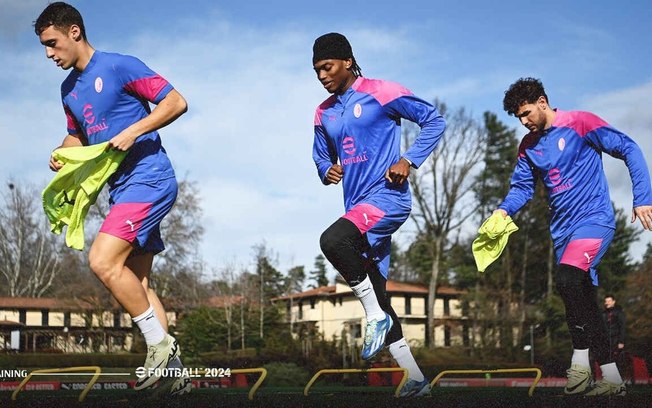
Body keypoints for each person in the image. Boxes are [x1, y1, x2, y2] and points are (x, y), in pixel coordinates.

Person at [34, 2, 190, 395]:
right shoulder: (68, 90)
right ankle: (176, 380)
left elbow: (176, 102)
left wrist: (135, 130)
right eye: (44, 47)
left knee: (102, 260)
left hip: (150, 178)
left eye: (52, 43)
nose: (50, 54)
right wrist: (62, 150)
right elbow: (80, 135)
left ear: (74, 32)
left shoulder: (120, 65)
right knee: (135, 279)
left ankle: (159, 345)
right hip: (121, 190)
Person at [494, 77, 652, 396]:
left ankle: (579, 365)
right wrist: (503, 211)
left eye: (526, 113)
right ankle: (611, 379)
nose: (524, 122)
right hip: (562, 233)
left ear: (542, 102)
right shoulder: (527, 146)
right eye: (518, 118)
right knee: (581, 302)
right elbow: (522, 188)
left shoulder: (581, 123)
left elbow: (628, 148)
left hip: (594, 222)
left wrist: (643, 197)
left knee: (567, 281)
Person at [311, 32, 446, 397]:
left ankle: (373, 316)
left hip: (388, 198)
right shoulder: (322, 112)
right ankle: (416, 379)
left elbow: (434, 121)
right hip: (357, 211)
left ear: (348, 62)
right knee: (380, 294)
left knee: (332, 240)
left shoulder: (383, 91)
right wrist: (326, 170)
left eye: (327, 67)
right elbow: (321, 155)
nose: (322, 76)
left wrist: (408, 159)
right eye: (316, 70)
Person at [603, 294, 627, 368]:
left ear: (613, 302)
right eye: (606, 301)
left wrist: (621, 341)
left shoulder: (619, 312)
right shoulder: (603, 313)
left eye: (609, 301)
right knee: (607, 360)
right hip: (606, 340)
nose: (607, 303)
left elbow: (622, 327)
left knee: (617, 360)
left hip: (616, 340)